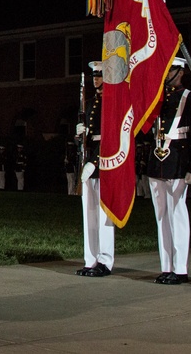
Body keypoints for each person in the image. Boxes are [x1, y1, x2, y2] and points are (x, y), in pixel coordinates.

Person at [145, 56, 191, 285]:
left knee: (177, 214)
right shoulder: (158, 96)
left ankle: (180, 268)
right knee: (161, 216)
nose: (166, 73)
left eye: (170, 69)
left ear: (180, 72)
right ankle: (166, 266)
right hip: (158, 160)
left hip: (179, 159)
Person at [75, 61, 114, 277]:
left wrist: (95, 161)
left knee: (103, 213)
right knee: (88, 213)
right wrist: (78, 133)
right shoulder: (89, 104)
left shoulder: (112, 104)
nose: (96, 79)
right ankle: (90, 259)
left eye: (100, 75)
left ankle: (105, 260)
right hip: (87, 160)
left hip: (104, 162)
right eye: (94, 76)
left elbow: (111, 137)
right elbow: (83, 138)